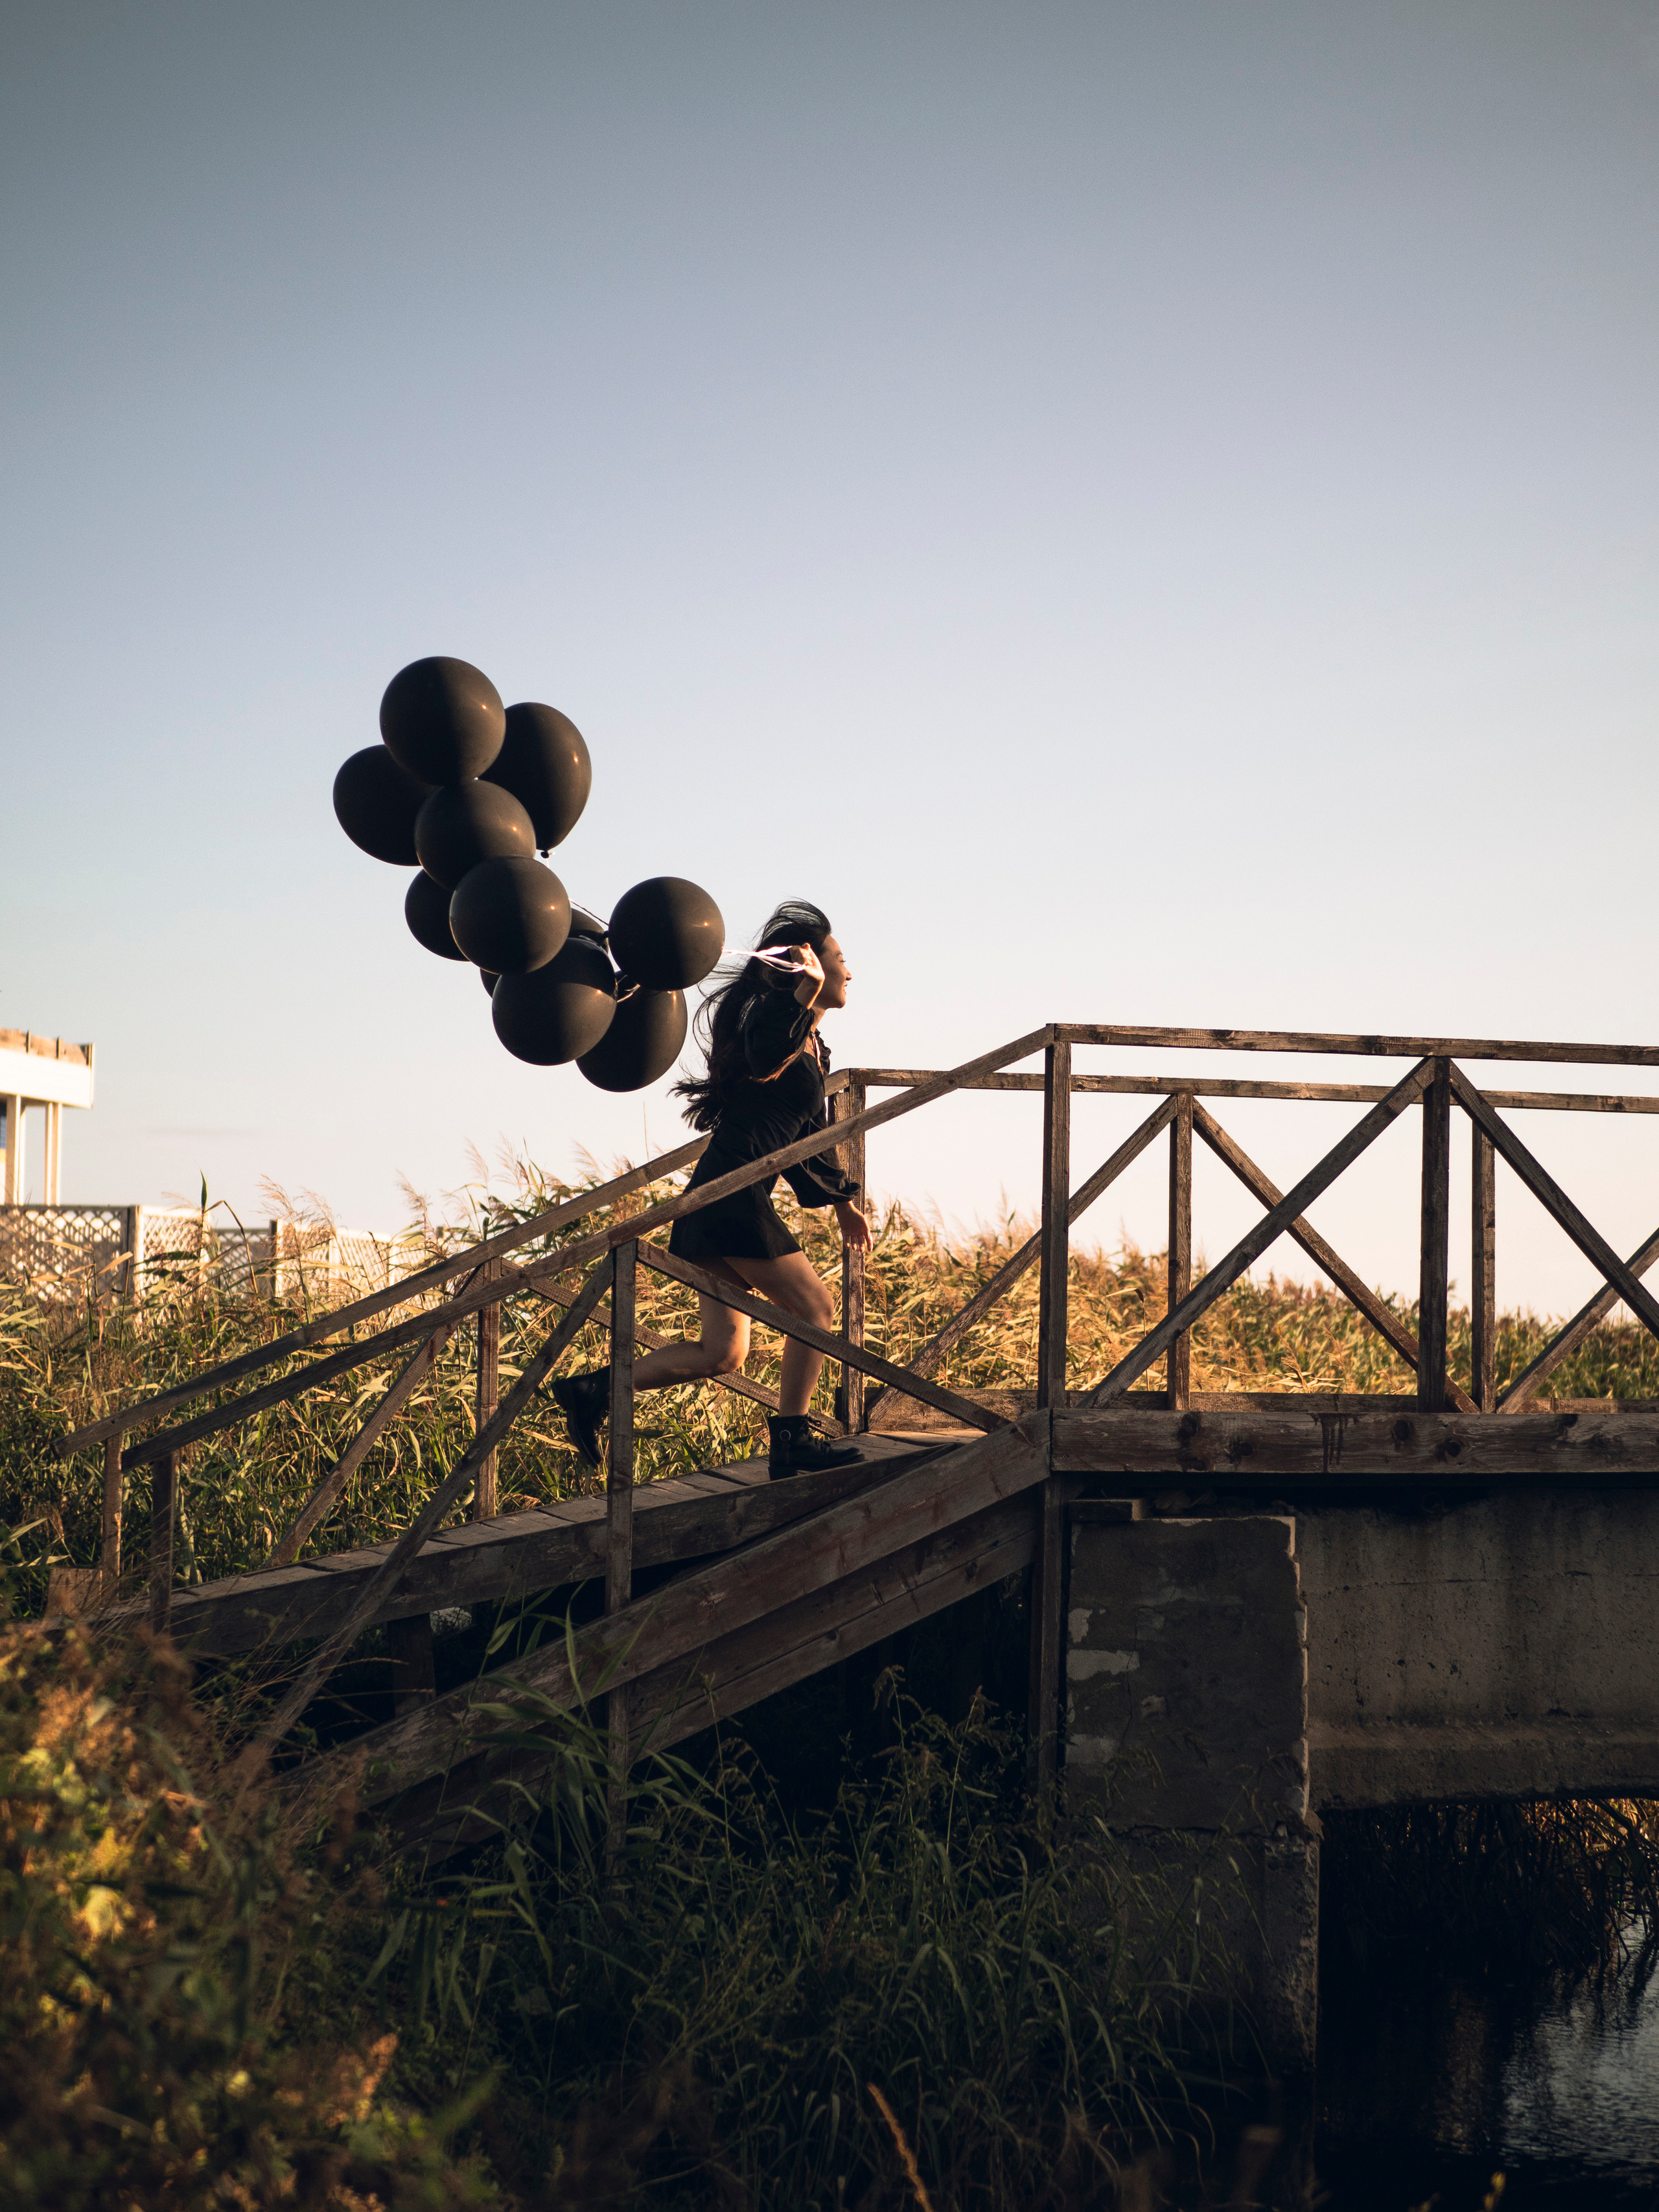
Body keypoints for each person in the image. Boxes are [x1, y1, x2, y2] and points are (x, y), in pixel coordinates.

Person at [551, 899, 872, 1478]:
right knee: (817, 1309)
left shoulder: (812, 1046)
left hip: (720, 1197)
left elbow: (804, 1138)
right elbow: (764, 1059)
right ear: (808, 967)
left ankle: (593, 1389)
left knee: (722, 1354)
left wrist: (842, 1200)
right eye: (839, 960)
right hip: (732, 1196)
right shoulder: (771, 1021)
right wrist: (802, 995)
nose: (849, 972)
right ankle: (793, 1440)